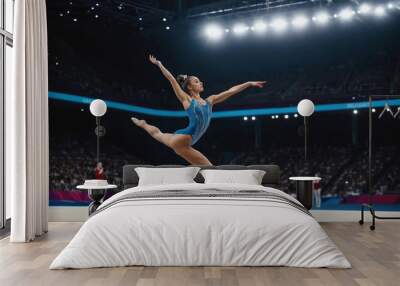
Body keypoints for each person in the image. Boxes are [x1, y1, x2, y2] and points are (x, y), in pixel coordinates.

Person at [131, 55, 266, 166]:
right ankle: (143, 125)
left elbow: (230, 91)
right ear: (189, 87)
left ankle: (143, 124)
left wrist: (248, 83)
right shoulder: (187, 100)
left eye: (200, 81)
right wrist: (159, 64)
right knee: (209, 169)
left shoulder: (210, 100)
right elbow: (172, 80)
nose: (201, 83)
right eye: (196, 81)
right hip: (183, 140)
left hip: (181, 139)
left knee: (158, 134)